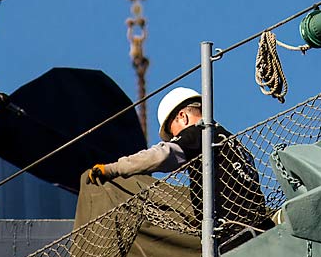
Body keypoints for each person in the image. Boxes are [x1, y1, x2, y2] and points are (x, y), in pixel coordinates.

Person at [87, 87, 270, 235]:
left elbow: (161, 156)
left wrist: (112, 169)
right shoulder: (229, 140)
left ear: (183, 116)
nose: (174, 138)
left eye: (173, 133)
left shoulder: (198, 134)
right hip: (258, 226)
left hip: (232, 234)